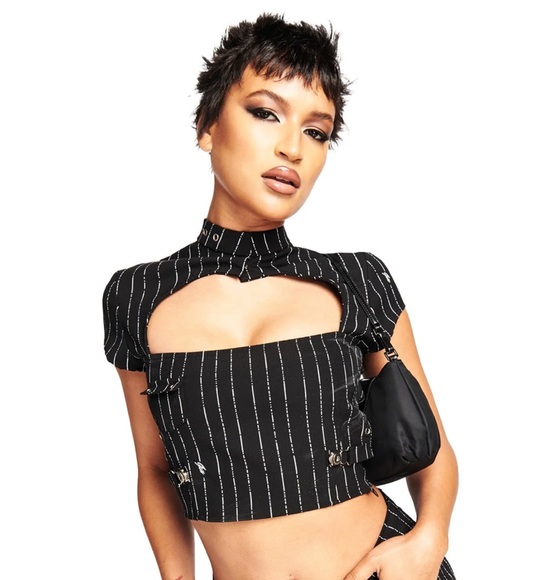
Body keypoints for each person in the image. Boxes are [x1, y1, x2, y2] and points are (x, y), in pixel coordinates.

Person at [102, 13, 458, 580]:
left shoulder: (356, 279)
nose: (292, 147)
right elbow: (156, 470)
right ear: (207, 126)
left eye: (316, 132)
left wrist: (429, 539)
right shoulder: (138, 295)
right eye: (266, 113)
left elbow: (431, 448)